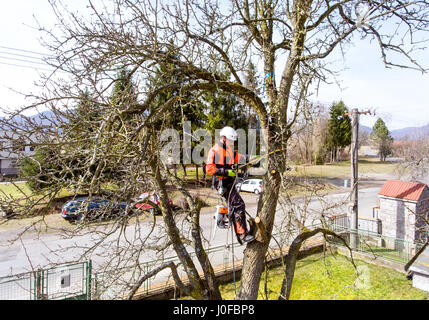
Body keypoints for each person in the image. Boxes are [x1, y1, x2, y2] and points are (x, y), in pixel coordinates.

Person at [206, 126, 255, 243]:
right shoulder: (214, 150)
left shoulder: (229, 150)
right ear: (223, 138)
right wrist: (225, 172)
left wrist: (251, 159)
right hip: (222, 182)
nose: (232, 143)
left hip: (230, 182)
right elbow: (209, 168)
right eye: (231, 140)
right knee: (238, 204)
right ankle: (242, 234)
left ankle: (241, 232)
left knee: (236, 205)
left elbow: (240, 157)